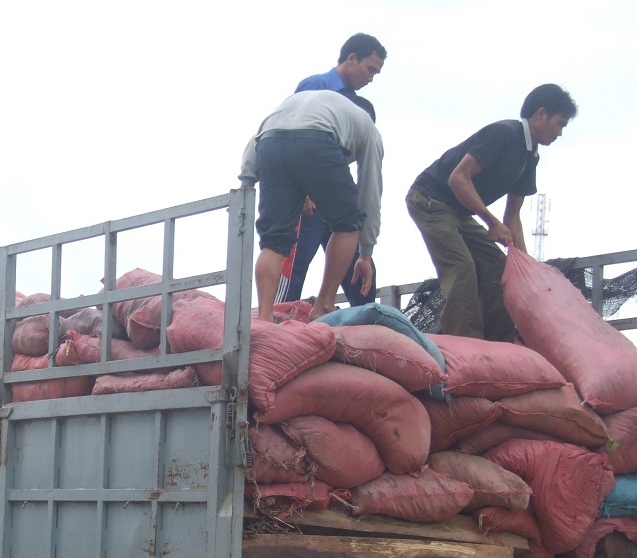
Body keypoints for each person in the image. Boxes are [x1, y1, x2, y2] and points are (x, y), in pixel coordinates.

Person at [405, 83, 577, 341]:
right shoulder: (503, 134)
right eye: (559, 124)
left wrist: (527, 266)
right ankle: (465, 342)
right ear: (540, 114)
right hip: (430, 199)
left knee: (500, 267)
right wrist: (491, 222)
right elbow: (458, 178)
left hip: (460, 212)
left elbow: (512, 217)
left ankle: (500, 341)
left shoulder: (530, 158)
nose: (560, 133)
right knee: (462, 268)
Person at [239, 89, 383, 322]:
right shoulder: (369, 129)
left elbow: (258, 136)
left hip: (270, 142)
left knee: (274, 239)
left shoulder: (303, 105)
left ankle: (264, 316)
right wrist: (365, 254)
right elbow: (370, 193)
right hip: (317, 140)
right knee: (348, 223)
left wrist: (247, 182)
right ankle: (324, 305)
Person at [275, 33, 386, 308]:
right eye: (370, 69)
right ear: (351, 59)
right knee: (295, 264)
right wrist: (302, 192)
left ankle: (366, 316)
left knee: (356, 263)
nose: (371, 78)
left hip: (335, 195)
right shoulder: (317, 85)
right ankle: (276, 317)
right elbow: (293, 134)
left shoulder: (354, 102)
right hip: (309, 198)